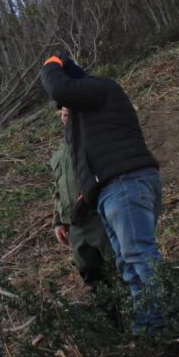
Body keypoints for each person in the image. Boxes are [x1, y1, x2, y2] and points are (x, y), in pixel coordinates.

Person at [41, 54, 165, 333]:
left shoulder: (102, 89)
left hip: (125, 184)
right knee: (128, 267)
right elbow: (82, 167)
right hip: (111, 192)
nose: (64, 110)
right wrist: (81, 202)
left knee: (138, 257)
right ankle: (148, 333)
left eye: (66, 106)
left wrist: (51, 62)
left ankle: (169, 325)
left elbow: (59, 89)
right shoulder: (87, 126)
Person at [51, 106, 114, 292]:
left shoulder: (94, 142)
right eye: (63, 115)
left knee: (118, 268)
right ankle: (111, 319)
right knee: (91, 278)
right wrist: (58, 222)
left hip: (98, 217)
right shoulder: (59, 155)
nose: (65, 118)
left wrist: (87, 196)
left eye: (69, 114)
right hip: (75, 227)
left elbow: (105, 173)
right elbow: (58, 190)